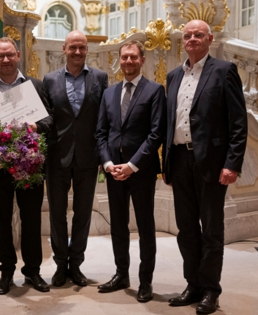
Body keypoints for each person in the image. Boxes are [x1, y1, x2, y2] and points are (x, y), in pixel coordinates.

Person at [162, 19, 247, 314]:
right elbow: (169, 122)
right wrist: (167, 164)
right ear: (182, 41)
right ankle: (193, 284)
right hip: (180, 159)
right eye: (188, 35)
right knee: (186, 229)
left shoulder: (224, 71)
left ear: (210, 38)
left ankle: (211, 290)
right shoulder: (173, 76)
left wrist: (232, 162)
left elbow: (238, 122)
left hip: (211, 163)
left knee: (211, 229)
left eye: (199, 35)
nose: (193, 39)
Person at [0, 37, 52, 295]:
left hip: (30, 166)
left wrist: (36, 126)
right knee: (2, 222)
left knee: (31, 220)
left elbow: (50, 120)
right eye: (0, 56)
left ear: (18, 55)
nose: (5, 60)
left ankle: (33, 272)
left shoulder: (34, 85)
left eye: (9, 55)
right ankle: (6, 271)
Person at [95, 40, 166, 302]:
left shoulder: (155, 91)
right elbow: (101, 133)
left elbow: (156, 133)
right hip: (114, 170)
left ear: (142, 60)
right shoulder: (109, 93)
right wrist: (107, 163)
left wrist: (132, 165)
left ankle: (145, 281)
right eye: (124, 57)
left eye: (133, 57)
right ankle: (121, 274)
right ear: (119, 60)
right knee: (118, 226)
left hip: (142, 170)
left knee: (146, 227)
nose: (128, 61)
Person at [42, 30, 108, 287]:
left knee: (82, 214)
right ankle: (60, 265)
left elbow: (105, 117)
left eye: (82, 47)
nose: (78, 52)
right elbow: (46, 116)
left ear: (87, 50)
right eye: (73, 48)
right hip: (57, 157)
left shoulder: (100, 78)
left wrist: (106, 154)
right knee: (57, 214)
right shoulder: (49, 80)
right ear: (64, 49)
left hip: (88, 157)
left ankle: (76, 264)